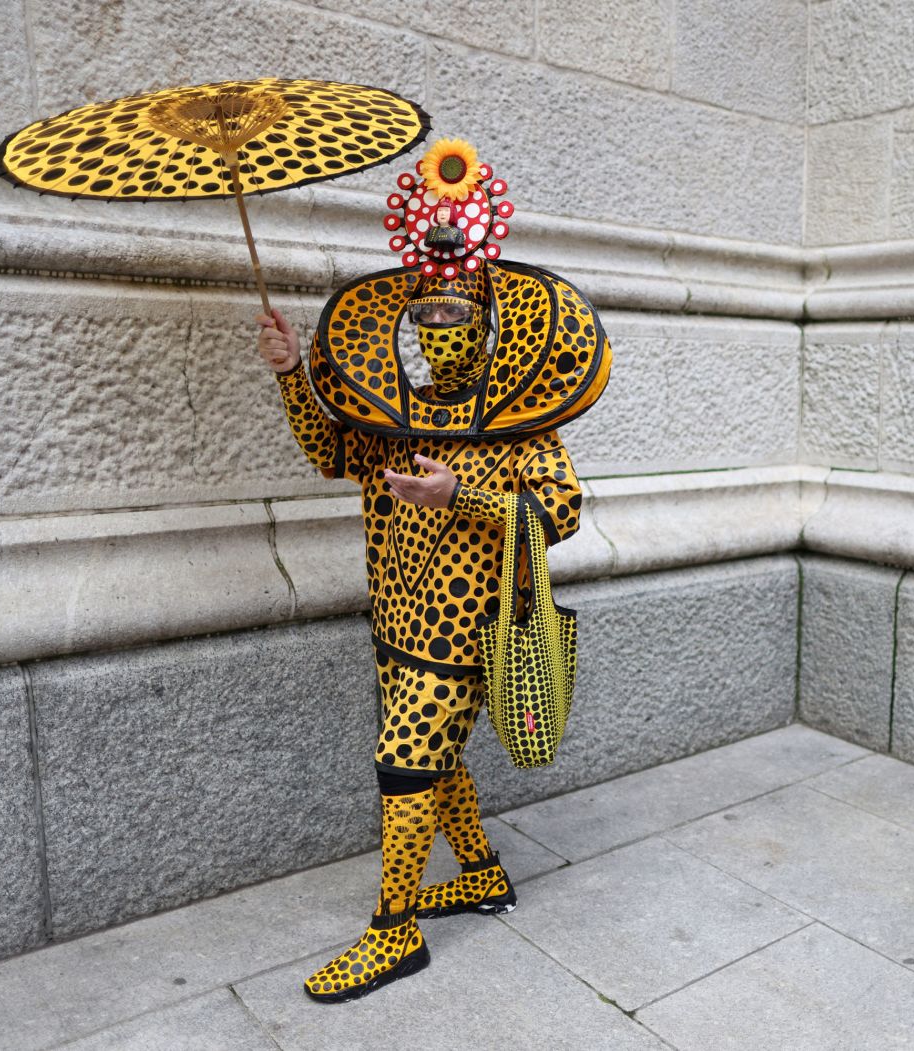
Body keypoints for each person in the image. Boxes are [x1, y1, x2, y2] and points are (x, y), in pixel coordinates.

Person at [253, 140, 609, 1002]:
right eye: (429, 320)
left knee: (405, 755)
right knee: (435, 757)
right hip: (394, 618)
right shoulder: (384, 409)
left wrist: (468, 494)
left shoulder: (523, 417)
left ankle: (393, 931)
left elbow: (560, 510)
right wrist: (294, 372)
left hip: (465, 624)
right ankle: (481, 872)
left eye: (458, 319)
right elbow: (332, 451)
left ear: (488, 321)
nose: (442, 331)